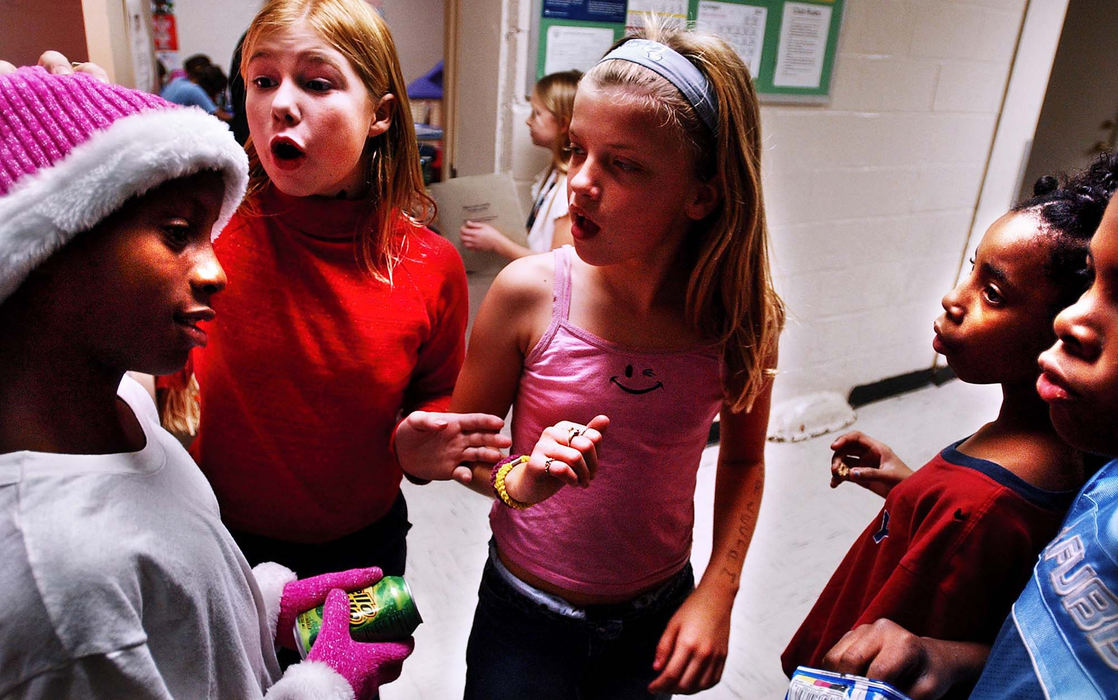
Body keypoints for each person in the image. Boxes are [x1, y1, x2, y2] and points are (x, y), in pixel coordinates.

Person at [397, 21, 784, 699]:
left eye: (623, 164)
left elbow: (745, 460)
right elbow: (471, 455)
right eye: (577, 151)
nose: (580, 183)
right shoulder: (528, 294)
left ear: (703, 192)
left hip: (657, 614)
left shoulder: (741, 321)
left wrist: (717, 596)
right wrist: (523, 479)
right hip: (525, 614)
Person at [0, 62, 410, 699]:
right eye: (176, 233)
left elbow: (177, 595)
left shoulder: (128, 410)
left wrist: (265, 605)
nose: (216, 270)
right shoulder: (59, 585)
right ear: (46, 246)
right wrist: (326, 684)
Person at [161, 0, 507, 584]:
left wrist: (420, 447)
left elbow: (437, 396)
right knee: (239, 680)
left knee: (356, 677)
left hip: (365, 550)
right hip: (223, 541)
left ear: (381, 115)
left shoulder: (430, 264)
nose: (280, 105)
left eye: (316, 83)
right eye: (262, 81)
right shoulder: (209, 228)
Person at [780, 160, 1118, 698]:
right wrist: (913, 490)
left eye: (993, 294)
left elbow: (889, 653)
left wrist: (945, 503)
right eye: (973, 269)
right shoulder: (1025, 456)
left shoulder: (985, 501)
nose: (953, 300)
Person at [458, 70, 579, 260]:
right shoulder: (551, 174)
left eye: (537, 113)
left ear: (563, 123)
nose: (528, 121)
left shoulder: (569, 187)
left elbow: (555, 266)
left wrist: (497, 243)